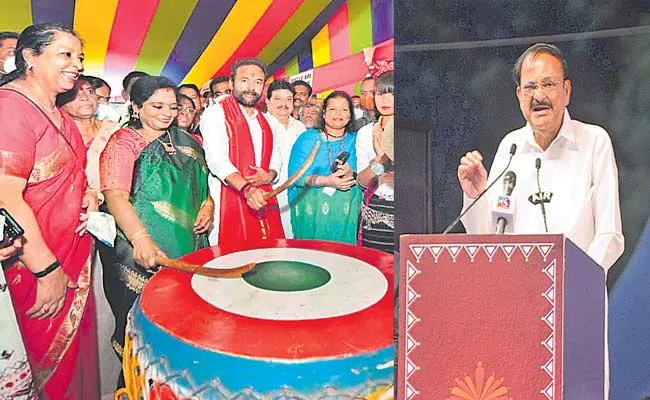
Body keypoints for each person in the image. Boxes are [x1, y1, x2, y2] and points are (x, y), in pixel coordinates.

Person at [458, 43, 624, 271]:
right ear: (519, 96)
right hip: (516, 294)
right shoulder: (510, 147)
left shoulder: (594, 141)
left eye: (548, 84)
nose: (539, 95)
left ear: (566, 92)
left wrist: (578, 278)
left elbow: (610, 235)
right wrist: (476, 196)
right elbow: (487, 238)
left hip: (576, 296)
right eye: (530, 87)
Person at [0, 23, 100, 399]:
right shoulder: (10, 108)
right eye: (65, 54)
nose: (76, 65)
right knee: (45, 367)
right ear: (29, 57)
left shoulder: (56, 110)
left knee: (77, 365)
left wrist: (88, 193)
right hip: (34, 267)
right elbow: (6, 197)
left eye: (79, 57)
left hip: (73, 255)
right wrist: (47, 270)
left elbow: (67, 171)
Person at [99, 76, 213, 386]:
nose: (166, 114)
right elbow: (115, 196)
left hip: (187, 247)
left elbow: (203, 188)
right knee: (141, 326)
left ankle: (179, 385)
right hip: (139, 250)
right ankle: (136, 387)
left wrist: (208, 207)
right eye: (157, 106)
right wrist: (140, 239)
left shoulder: (189, 143)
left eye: (173, 107)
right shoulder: (122, 143)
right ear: (136, 107)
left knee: (184, 323)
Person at [201, 58, 284, 246]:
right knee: (230, 263)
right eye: (244, 80)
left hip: (263, 198)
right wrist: (247, 189)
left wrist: (269, 175)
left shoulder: (268, 120)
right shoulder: (216, 113)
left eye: (258, 82)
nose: (251, 88)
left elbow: (276, 158)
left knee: (267, 259)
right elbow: (216, 160)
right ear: (232, 83)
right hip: (228, 199)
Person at [288, 91, 361, 244]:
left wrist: (351, 173)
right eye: (333, 109)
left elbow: (366, 173)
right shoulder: (308, 138)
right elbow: (295, 177)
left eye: (344, 110)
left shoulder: (357, 139)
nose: (338, 114)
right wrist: (327, 181)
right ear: (324, 114)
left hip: (348, 209)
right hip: (313, 207)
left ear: (350, 115)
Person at [356, 71, 395, 253]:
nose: (385, 100)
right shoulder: (365, 132)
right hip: (373, 215)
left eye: (392, 93)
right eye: (380, 93)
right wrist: (379, 160)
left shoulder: (413, 130)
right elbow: (363, 181)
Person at [57, 76, 119, 190]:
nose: (85, 97)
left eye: (90, 91)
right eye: (74, 93)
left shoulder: (116, 131)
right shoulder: (54, 135)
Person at [264, 80, 306, 238]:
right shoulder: (261, 125)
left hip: (297, 192)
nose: (284, 104)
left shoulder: (300, 127)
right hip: (270, 193)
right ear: (268, 102)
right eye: (278, 99)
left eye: (288, 99)